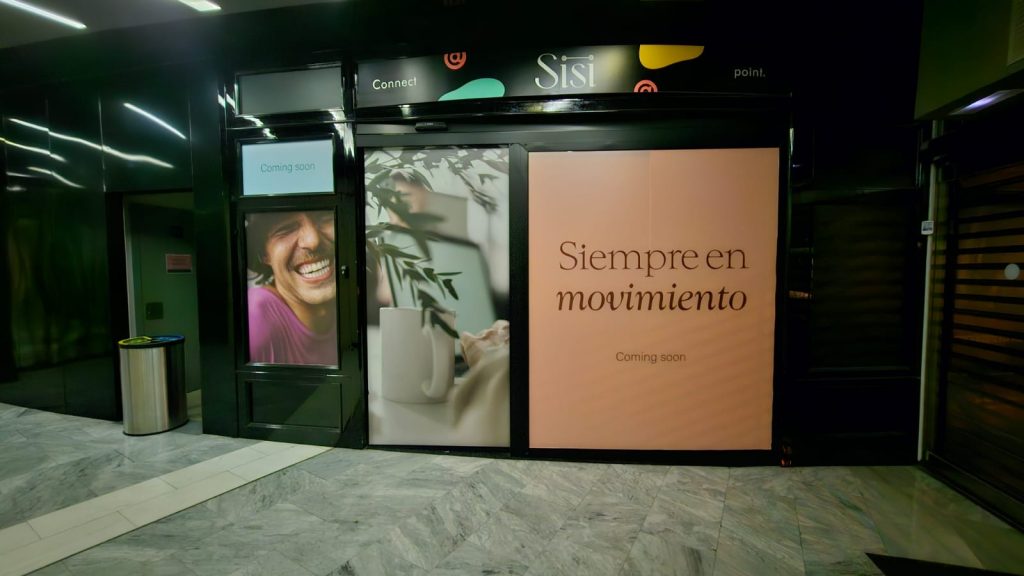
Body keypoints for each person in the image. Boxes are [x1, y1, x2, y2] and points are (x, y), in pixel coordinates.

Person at [246, 211, 338, 366]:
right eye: (286, 229)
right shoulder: (254, 321)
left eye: (324, 218)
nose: (313, 241)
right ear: (263, 254)